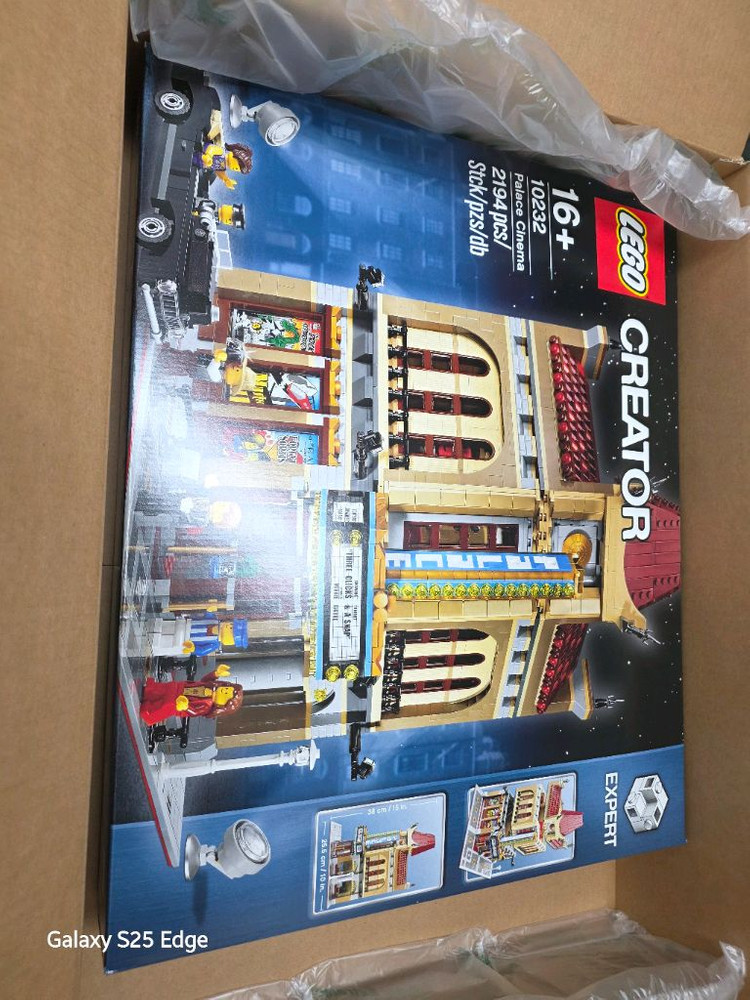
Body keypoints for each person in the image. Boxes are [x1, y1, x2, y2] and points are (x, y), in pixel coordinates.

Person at [139, 664, 243, 725]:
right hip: (180, 688)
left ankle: (149, 714)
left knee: (166, 706)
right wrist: (216, 673)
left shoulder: (207, 705)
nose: (223, 690)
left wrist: (186, 707)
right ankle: (149, 691)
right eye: (226, 688)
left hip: (179, 704)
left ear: (223, 705)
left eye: (226, 694)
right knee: (163, 689)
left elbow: (194, 712)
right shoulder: (210, 686)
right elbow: (204, 680)